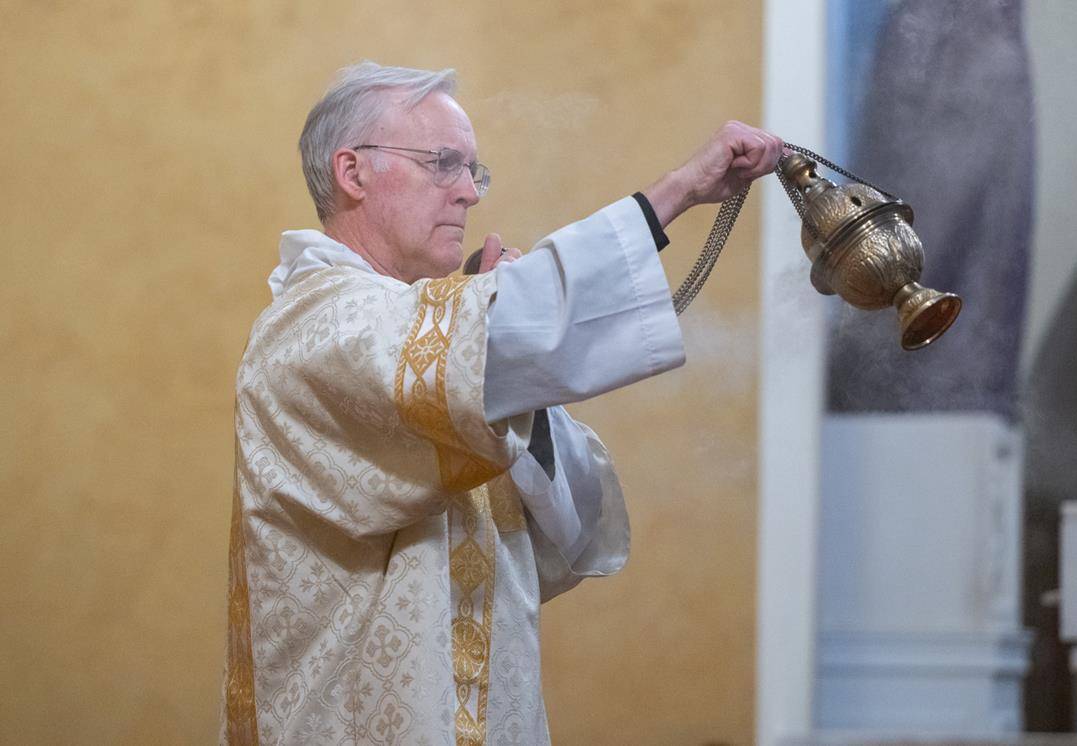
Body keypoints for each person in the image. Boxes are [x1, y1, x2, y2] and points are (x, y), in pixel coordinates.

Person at [220, 61, 781, 746]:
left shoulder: (431, 337)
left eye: (473, 172)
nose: (467, 194)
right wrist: (679, 191)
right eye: (443, 164)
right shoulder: (315, 325)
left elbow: (569, 543)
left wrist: (499, 358)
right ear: (353, 172)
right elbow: (476, 338)